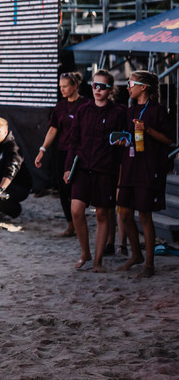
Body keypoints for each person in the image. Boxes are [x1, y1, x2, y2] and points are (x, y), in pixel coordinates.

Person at [63, 70, 127, 272]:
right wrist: (67, 168)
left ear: (111, 90)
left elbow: (125, 143)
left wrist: (120, 175)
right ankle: (85, 252)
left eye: (102, 86)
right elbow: (73, 142)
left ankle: (98, 261)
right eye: (94, 85)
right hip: (82, 168)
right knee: (76, 210)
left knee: (102, 213)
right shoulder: (83, 110)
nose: (98, 90)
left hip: (106, 170)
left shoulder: (119, 113)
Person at [117, 70, 175, 277]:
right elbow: (128, 137)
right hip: (130, 166)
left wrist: (148, 130)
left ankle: (149, 263)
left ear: (143, 87)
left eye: (130, 83)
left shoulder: (158, 110)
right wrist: (122, 140)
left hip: (149, 168)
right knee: (124, 213)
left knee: (144, 215)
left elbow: (169, 140)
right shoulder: (130, 110)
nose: (127, 87)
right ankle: (136, 254)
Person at [35, 73, 88, 237]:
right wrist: (42, 149)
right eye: (60, 86)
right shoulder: (60, 107)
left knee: (77, 189)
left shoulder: (86, 104)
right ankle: (71, 225)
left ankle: (79, 221)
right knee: (63, 189)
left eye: (65, 86)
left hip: (80, 153)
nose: (62, 89)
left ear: (75, 86)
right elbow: (53, 129)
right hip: (62, 151)